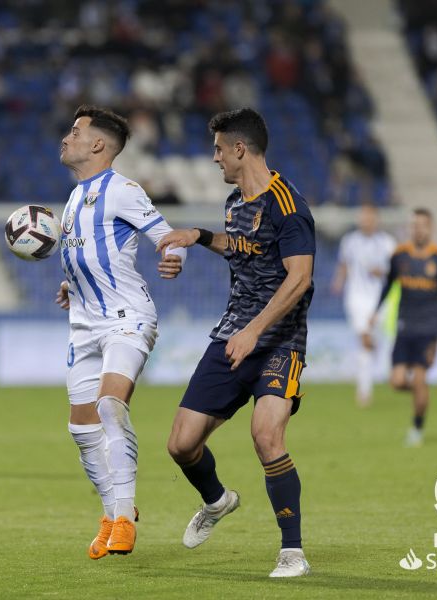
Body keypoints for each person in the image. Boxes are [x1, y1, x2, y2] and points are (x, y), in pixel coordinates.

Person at [156, 108, 315, 578]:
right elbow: (241, 244)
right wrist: (201, 236)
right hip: (232, 335)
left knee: (266, 436)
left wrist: (255, 330)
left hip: (280, 340)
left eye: (219, 149)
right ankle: (217, 500)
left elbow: (300, 277)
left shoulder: (288, 205)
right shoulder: (234, 202)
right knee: (181, 445)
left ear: (239, 149)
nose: (214, 157)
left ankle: (292, 552)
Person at [55, 105, 186, 559]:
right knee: (81, 428)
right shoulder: (73, 199)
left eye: (75, 132)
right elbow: (90, 254)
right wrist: (71, 284)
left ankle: (126, 517)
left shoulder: (123, 190)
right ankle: (110, 515)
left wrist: (175, 258)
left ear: (97, 144)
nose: (66, 137)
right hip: (83, 324)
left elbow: (166, 237)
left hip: (126, 317)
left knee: (110, 405)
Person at [370, 208, 437, 447]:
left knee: (419, 377)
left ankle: (417, 429)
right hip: (405, 326)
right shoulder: (399, 256)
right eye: (414, 225)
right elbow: (388, 286)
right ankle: (422, 393)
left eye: (422, 225)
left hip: (430, 328)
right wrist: (376, 312)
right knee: (397, 381)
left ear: (430, 228)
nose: (418, 229)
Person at [331, 203, 396, 406]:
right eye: (362, 217)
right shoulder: (349, 241)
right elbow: (344, 264)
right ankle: (364, 392)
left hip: (380, 300)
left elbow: (397, 271)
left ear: (376, 220)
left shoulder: (387, 243)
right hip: (356, 298)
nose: (364, 221)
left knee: (369, 346)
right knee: (365, 339)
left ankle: (367, 386)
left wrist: (382, 272)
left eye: (369, 217)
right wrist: (339, 281)